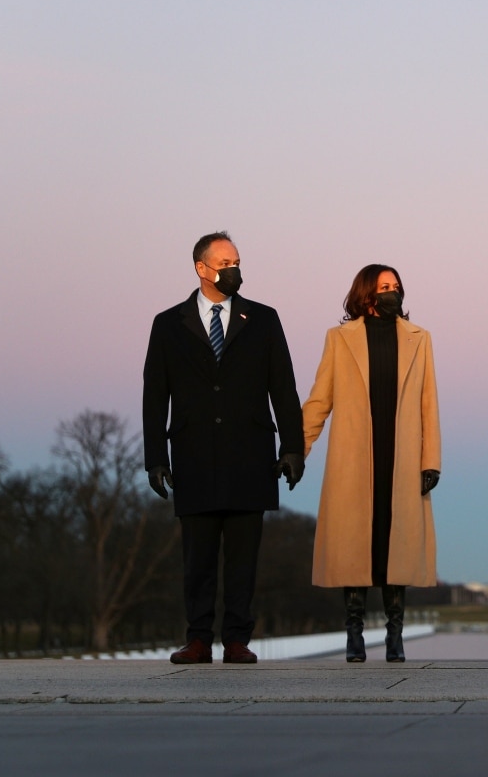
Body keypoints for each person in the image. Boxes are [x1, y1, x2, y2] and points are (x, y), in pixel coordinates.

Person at [143, 231, 304, 665]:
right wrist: (155, 457)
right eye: (225, 262)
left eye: (237, 261)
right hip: (193, 455)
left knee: (243, 557)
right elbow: (155, 395)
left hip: (249, 454)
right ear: (202, 268)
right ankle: (197, 638)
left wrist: (293, 447)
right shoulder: (168, 324)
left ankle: (236, 639)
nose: (234, 269)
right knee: (197, 558)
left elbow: (283, 387)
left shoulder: (264, 319)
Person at [302, 264, 441, 663]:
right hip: (355, 457)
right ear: (366, 294)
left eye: (396, 287)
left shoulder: (420, 339)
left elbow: (428, 404)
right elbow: (319, 400)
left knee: (394, 551)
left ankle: (394, 637)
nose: (392, 293)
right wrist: (298, 448)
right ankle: (354, 634)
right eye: (384, 287)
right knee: (356, 553)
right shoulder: (339, 339)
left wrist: (430, 459)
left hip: (401, 459)